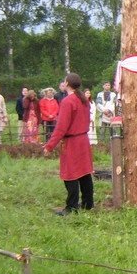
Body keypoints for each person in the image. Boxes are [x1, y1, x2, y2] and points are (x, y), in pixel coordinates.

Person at [43, 73, 94, 216]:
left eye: (64, 81)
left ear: (67, 83)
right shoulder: (83, 100)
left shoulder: (68, 101)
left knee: (70, 174)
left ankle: (71, 207)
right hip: (83, 140)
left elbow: (61, 127)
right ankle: (88, 204)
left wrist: (49, 145)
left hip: (72, 142)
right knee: (84, 173)